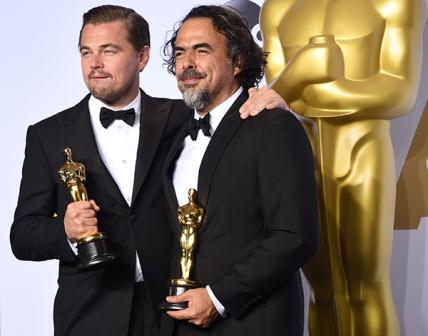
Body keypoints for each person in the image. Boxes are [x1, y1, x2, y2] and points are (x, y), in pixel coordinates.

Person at [10, 5, 286, 336]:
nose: (94, 64)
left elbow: (230, 115)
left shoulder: (183, 118)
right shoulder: (48, 135)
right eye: (86, 52)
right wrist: (66, 232)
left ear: (142, 57)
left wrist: (271, 102)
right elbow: (22, 236)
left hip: (169, 312)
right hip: (88, 315)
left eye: (108, 51)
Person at [259, 0, 425, 335]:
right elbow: (275, 99)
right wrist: (304, 71)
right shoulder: (277, 7)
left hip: (362, 150)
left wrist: (306, 83)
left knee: (364, 289)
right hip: (302, 157)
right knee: (321, 292)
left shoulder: (393, 2)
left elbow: (398, 92)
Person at [160, 5, 319, 335]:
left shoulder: (273, 125)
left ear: (238, 61)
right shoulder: (177, 136)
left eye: (201, 50)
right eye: (179, 53)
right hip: (181, 322)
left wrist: (217, 298)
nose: (187, 63)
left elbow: (295, 237)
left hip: (251, 322)